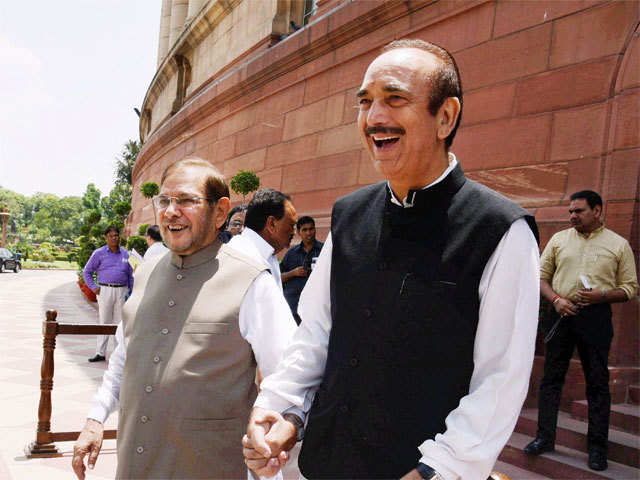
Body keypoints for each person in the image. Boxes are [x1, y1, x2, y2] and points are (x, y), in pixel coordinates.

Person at [242, 39, 541, 480]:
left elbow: (499, 381)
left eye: (395, 99)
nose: (374, 118)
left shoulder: (500, 229)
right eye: (365, 102)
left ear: (445, 117)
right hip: (324, 463)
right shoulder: (348, 214)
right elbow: (318, 334)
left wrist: (436, 471)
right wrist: (284, 410)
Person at [71, 158, 296, 480]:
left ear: (221, 211)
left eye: (187, 201)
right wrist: (95, 419)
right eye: (164, 201)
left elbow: (288, 376)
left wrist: (269, 443)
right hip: (136, 466)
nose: (171, 211)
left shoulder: (251, 281)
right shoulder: (146, 274)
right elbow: (123, 358)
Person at [524, 190, 638, 471]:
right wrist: (556, 300)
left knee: (597, 383)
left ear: (597, 211)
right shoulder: (560, 240)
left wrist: (602, 296)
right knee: (551, 379)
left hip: (595, 317)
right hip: (560, 314)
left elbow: (630, 288)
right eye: (571, 212)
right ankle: (544, 438)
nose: (572, 216)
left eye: (579, 211)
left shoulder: (618, 245)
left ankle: (597, 450)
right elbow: (540, 276)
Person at [228, 189, 297, 292]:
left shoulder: (270, 256)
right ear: (272, 224)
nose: (294, 232)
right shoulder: (239, 257)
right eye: (291, 225)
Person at [83, 225, 134, 363]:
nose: (114, 238)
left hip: (122, 291)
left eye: (116, 235)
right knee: (104, 321)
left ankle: (118, 354)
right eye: (111, 236)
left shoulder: (126, 254)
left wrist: (132, 292)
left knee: (119, 323)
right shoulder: (99, 253)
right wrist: (94, 287)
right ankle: (100, 352)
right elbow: (87, 271)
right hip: (105, 290)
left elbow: (131, 275)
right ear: (106, 238)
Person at [280, 216, 324, 324]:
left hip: (317, 307)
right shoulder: (292, 253)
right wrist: (293, 273)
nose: (308, 233)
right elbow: (277, 278)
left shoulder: (324, 251)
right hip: (294, 308)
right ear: (299, 232)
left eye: (311, 229)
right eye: (304, 230)